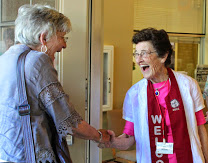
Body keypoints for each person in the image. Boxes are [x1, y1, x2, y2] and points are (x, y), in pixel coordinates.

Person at [0, 4, 109, 162]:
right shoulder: (37, 61)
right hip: (29, 156)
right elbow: (69, 121)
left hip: (6, 153)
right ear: (43, 38)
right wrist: (99, 136)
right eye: (61, 37)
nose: (64, 44)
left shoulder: (6, 58)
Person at [99, 28, 208, 163]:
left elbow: (200, 128)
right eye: (136, 54)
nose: (138, 60)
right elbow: (129, 139)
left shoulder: (188, 85)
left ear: (163, 56)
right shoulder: (134, 94)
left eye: (144, 53)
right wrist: (112, 141)